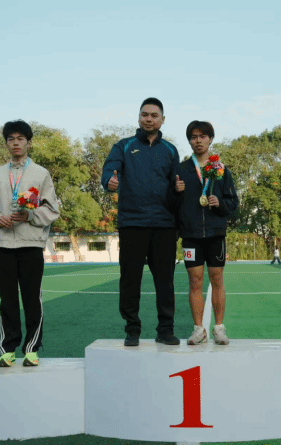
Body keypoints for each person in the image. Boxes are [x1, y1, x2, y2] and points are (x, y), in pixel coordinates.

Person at [0, 120, 60, 367]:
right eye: (11, 139)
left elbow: (52, 209)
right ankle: (8, 349)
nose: (16, 143)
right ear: (6, 143)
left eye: (20, 138)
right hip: (3, 244)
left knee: (32, 299)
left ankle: (32, 349)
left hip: (31, 244)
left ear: (28, 142)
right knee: (7, 300)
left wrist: (30, 216)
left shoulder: (40, 174)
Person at [102, 98, 181, 347]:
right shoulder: (123, 146)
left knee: (165, 282)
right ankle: (132, 330)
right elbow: (109, 171)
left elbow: (176, 188)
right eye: (145, 114)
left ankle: (165, 330)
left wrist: (179, 190)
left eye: (154, 115)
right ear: (138, 118)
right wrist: (109, 181)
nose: (149, 119)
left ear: (162, 120)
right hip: (132, 223)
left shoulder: (170, 150)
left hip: (164, 225)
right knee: (130, 280)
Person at [175, 121, 239, 345]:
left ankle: (219, 328)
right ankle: (198, 329)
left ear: (210, 139)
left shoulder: (221, 169)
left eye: (203, 136)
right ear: (189, 141)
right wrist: (175, 191)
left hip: (215, 233)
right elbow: (170, 203)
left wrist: (220, 203)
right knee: (194, 281)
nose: (198, 140)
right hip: (191, 234)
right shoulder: (181, 170)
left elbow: (233, 203)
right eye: (194, 137)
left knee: (217, 278)